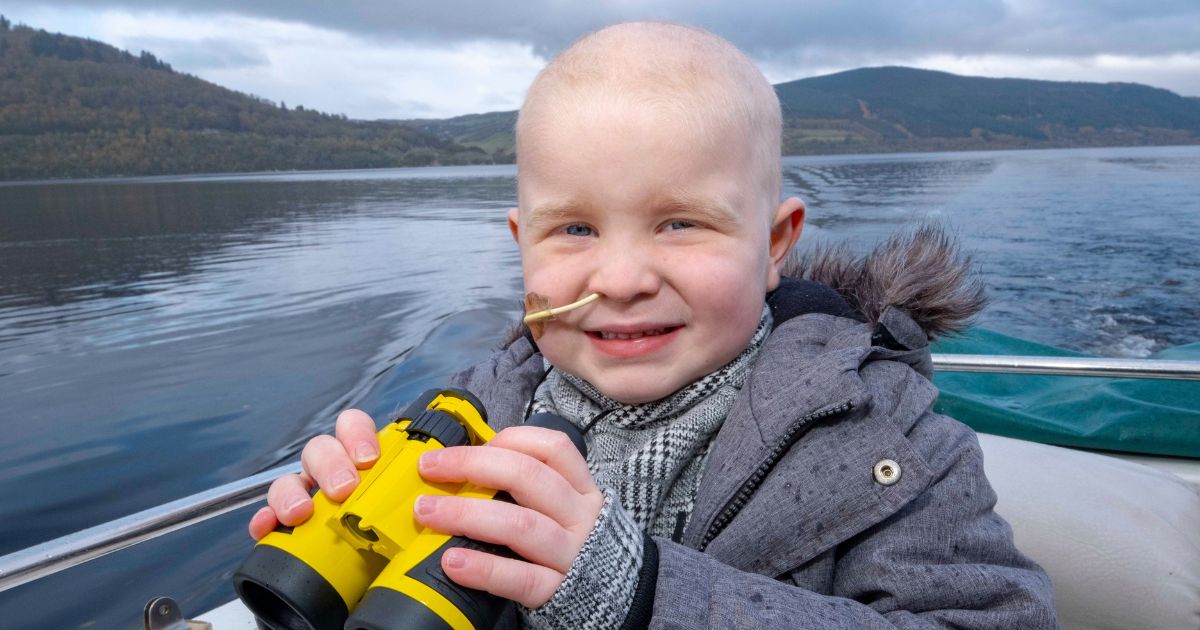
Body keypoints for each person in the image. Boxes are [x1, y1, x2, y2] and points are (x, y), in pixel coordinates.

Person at [249, 21, 1057, 628]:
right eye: (573, 230)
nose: (623, 280)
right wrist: (342, 529)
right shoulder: (469, 417)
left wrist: (641, 596)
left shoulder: (894, 446)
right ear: (519, 245)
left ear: (775, 244)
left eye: (680, 224)